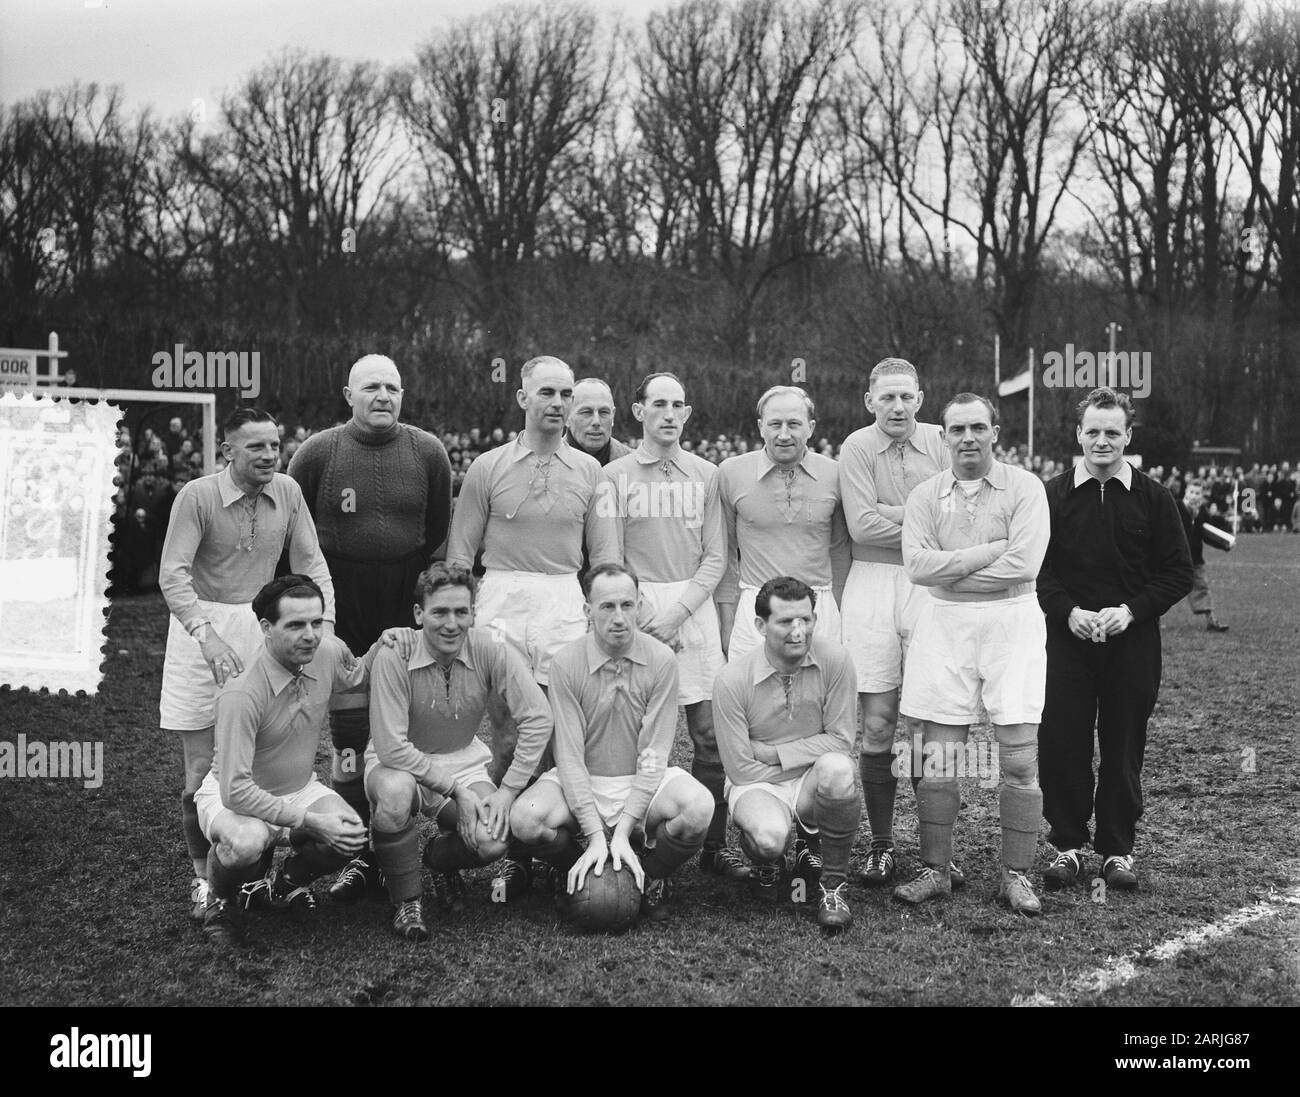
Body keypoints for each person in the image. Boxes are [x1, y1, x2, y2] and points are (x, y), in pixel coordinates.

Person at [447, 355, 619, 896]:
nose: (558, 404)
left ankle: (548, 838)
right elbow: (459, 554)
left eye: (567, 394)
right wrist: (460, 616)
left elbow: (607, 557)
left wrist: (607, 611)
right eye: (547, 392)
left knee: (557, 725)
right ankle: (513, 853)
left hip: (563, 598)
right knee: (506, 728)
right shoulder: (488, 466)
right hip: (501, 595)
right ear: (522, 399)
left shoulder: (591, 472)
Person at [159, 408, 335, 922]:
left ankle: (263, 878)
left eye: (274, 445)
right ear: (226, 452)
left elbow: (312, 563)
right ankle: (203, 879)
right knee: (199, 771)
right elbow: (173, 574)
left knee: (264, 761)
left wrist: (324, 626)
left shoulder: (290, 493)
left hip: (264, 629)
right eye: (255, 446)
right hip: (202, 631)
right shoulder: (196, 496)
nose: (268, 455)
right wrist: (205, 635)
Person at [287, 353, 453, 901]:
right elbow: (295, 528)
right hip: (340, 592)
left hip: (399, 590)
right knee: (350, 728)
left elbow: (437, 533)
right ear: (348, 393)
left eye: (393, 387)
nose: (383, 396)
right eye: (371, 387)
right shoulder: (318, 452)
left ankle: (389, 843)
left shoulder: (428, 451)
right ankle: (353, 845)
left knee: (397, 725)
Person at [894, 394, 1050, 914]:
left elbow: (1024, 564)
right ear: (942, 437)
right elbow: (917, 566)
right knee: (937, 756)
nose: (967, 437)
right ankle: (936, 870)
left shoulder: (1025, 487)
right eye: (956, 429)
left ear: (995, 432)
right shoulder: (923, 496)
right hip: (944, 622)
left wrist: (953, 567)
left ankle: (1017, 875)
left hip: (1012, 620)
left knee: (1019, 755)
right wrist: (988, 551)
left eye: (977, 427)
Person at [197, 575, 410, 947]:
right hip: (233, 797)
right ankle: (219, 901)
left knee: (350, 832)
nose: (310, 634)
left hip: (297, 789)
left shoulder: (325, 652)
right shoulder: (240, 693)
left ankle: (285, 884)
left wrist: (381, 644)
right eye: (295, 625)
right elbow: (235, 791)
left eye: (315, 622)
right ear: (266, 627)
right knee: (247, 842)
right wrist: (309, 821)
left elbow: (354, 675)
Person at [1037, 388, 1193, 892]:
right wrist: (1069, 613)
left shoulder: (1154, 497)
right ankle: (1066, 845)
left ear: (1128, 435)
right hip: (1067, 645)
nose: (1102, 441)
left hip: (1132, 646)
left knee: (1124, 746)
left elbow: (1177, 572)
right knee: (1064, 743)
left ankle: (1117, 851)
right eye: (1092, 431)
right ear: (1077, 434)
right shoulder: (1050, 496)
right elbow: (1037, 573)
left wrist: (1132, 611)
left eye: (1112, 432)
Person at [602, 372, 748, 879]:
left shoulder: (707, 475)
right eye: (658, 403)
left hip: (692, 608)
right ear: (638, 411)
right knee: (634, 731)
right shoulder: (614, 476)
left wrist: (679, 613)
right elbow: (608, 554)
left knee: (709, 734)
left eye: (678, 405)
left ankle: (712, 844)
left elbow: (716, 557)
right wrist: (641, 615)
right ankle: (631, 834)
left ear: (687, 414)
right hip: (631, 611)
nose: (669, 413)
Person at [507, 564, 714, 921]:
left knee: (698, 808)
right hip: (583, 778)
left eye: (627, 605)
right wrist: (596, 833)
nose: (619, 617)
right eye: (607, 607)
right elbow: (569, 758)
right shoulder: (566, 662)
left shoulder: (661, 659)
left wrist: (624, 826)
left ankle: (648, 876)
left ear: (639, 605)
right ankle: (579, 865)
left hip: (640, 779)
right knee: (525, 820)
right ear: (588, 611)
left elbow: (654, 754)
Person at [366, 563, 553, 941]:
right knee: (396, 794)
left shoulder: (489, 647)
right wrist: (456, 791)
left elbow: (538, 718)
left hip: (462, 759)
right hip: (398, 763)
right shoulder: (395, 654)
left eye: (461, 612)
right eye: (439, 612)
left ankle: (435, 859)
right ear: (419, 614)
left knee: (493, 839)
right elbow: (391, 746)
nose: (451, 623)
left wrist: (508, 790)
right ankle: (407, 899)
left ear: (473, 614)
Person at [837, 356, 952, 888]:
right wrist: (924, 518)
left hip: (930, 586)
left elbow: (958, 516)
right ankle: (882, 845)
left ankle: (936, 853)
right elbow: (861, 525)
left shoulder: (943, 440)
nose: (897, 406)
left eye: (906, 396)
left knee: (929, 724)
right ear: (869, 401)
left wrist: (898, 514)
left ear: (921, 398)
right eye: (886, 397)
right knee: (879, 722)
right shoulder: (857, 447)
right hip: (872, 583)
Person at [712, 576, 860, 931]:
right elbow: (741, 769)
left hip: (806, 776)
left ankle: (832, 885)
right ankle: (771, 858)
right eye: (785, 622)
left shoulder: (836, 660)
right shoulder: (731, 679)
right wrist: (791, 766)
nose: (798, 631)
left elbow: (841, 742)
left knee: (838, 770)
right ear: (761, 625)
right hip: (758, 785)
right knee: (769, 838)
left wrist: (775, 753)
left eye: (806, 619)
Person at [716, 386, 850, 661]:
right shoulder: (731, 472)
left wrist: (839, 613)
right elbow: (725, 553)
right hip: (755, 607)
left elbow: (840, 551)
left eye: (794, 424)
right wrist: (728, 622)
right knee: (753, 697)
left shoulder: (835, 474)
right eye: (775, 424)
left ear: (811, 428)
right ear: (760, 427)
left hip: (819, 607)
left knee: (816, 697)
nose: (784, 434)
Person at [1176, 478, 1230, 632]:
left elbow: (1208, 535)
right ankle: (1154, 619)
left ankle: (1211, 621)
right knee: (1163, 589)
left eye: (1197, 493)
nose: (1194, 496)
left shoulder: (1202, 512)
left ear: (1202, 495)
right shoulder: (1176, 507)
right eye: (1191, 492)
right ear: (1186, 492)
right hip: (1174, 559)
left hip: (1195, 560)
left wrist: (1225, 544)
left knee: (1202, 587)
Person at [565, 377, 631, 467]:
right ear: (567, 417)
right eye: (586, 412)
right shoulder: (546, 463)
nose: (596, 422)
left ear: (613, 416)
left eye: (604, 412)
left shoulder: (635, 466)